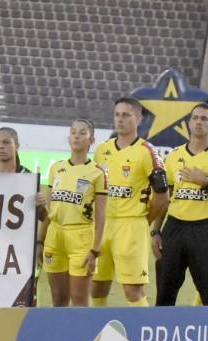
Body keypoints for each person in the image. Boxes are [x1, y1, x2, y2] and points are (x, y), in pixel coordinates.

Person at [152, 103, 208, 306]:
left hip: (205, 229)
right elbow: (165, 198)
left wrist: (206, 183)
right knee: (164, 294)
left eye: (204, 119)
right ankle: (162, 334)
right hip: (174, 228)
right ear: (189, 122)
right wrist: (156, 231)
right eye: (195, 118)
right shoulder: (173, 156)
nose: (199, 122)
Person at [91, 97, 168, 307]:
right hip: (103, 225)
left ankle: (141, 334)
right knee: (96, 286)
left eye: (126, 115)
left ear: (138, 118)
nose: (120, 119)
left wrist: (143, 219)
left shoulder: (148, 152)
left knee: (133, 289)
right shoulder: (101, 150)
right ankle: (97, 333)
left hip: (131, 226)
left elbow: (163, 195)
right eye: (117, 114)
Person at [37, 119, 106, 307]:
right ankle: (59, 337)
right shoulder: (56, 168)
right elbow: (48, 212)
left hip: (81, 238)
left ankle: (83, 337)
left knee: (79, 300)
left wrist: (95, 250)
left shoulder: (97, 173)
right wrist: (40, 241)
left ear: (91, 140)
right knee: (58, 299)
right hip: (54, 236)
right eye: (73, 131)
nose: (76, 135)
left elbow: (101, 216)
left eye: (82, 132)